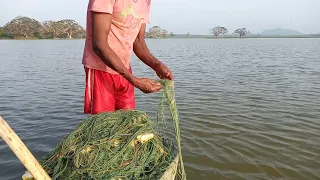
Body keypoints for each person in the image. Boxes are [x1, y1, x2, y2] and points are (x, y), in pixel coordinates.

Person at [82, 0, 173, 114]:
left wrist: (157, 65)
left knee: (128, 118)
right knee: (104, 120)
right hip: (100, 69)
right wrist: (135, 81)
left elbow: (138, 42)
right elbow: (99, 44)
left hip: (124, 68)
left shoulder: (145, 2)